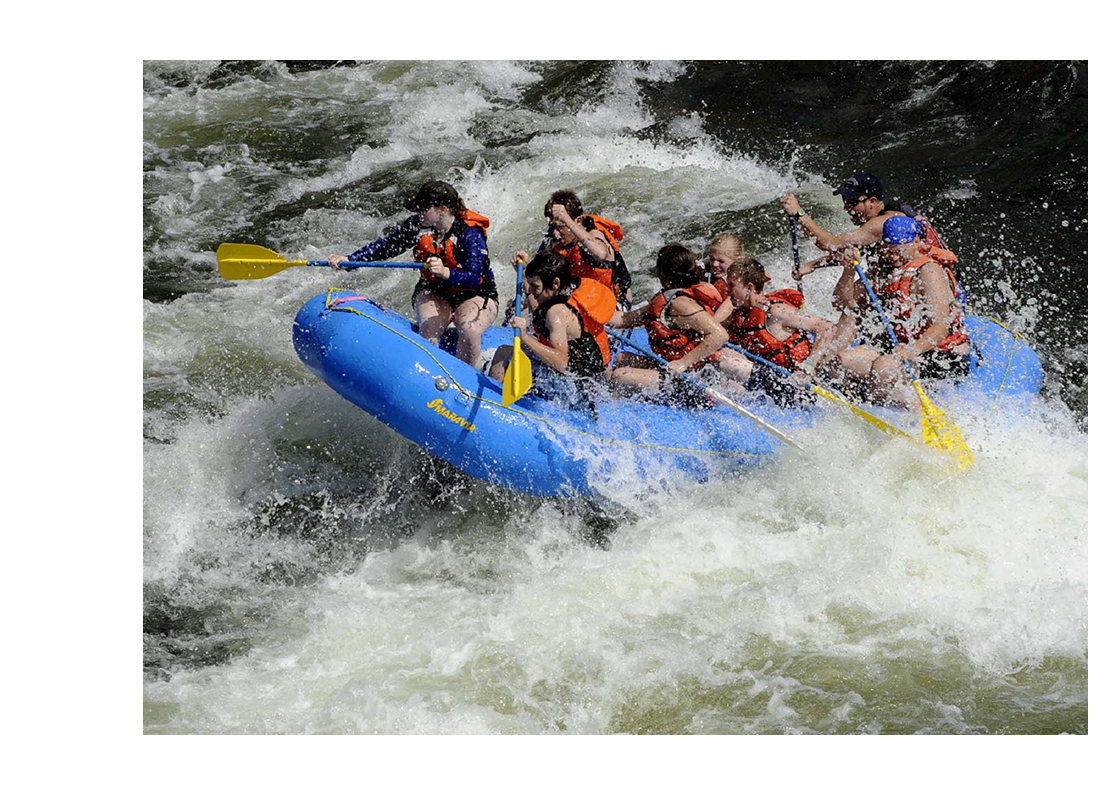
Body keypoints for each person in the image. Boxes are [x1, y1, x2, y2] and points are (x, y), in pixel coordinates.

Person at [328, 180, 498, 368]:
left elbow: (475, 278)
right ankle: (428, 373)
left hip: (474, 294)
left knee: (469, 330)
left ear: (442, 209)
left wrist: (446, 272)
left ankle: (466, 379)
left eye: (424, 208)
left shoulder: (469, 233)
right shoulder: (417, 227)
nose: (418, 213)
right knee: (429, 330)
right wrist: (350, 260)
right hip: (435, 290)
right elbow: (385, 247)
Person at [811, 215, 970, 411]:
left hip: (937, 355)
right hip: (896, 346)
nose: (893, 258)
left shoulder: (930, 271)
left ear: (916, 242)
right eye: (889, 251)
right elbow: (842, 302)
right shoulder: (883, 267)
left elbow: (941, 326)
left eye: (899, 252)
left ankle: (900, 409)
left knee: (883, 368)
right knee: (841, 362)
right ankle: (853, 403)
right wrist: (848, 270)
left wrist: (913, 350)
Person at [780, 171, 946, 311]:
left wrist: (799, 213)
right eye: (845, 202)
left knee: (848, 303)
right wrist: (811, 266)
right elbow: (848, 252)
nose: (846, 208)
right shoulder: (881, 220)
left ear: (872, 202)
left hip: (928, 284)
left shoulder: (883, 223)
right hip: (897, 272)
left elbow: (830, 244)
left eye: (852, 202)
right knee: (840, 302)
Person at [609, 243, 753, 399]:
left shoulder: (680, 304)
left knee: (620, 376)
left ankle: (612, 409)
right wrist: (586, 310)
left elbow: (720, 335)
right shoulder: (665, 299)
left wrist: (684, 362)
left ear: (663, 273)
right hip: (674, 368)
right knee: (621, 358)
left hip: (695, 377)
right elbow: (624, 320)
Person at [488, 251, 616, 382]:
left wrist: (525, 337)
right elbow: (538, 308)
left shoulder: (556, 313)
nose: (529, 291)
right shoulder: (565, 291)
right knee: (521, 348)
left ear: (555, 283)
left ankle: (493, 398)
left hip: (574, 385)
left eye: (535, 286)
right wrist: (524, 271)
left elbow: (561, 363)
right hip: (589, 376)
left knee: (503, 352)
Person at [723, 256, 836, 403]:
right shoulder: (740, 315)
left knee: (725, 362)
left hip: (796, 386)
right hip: (770, 381)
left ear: (749, 288)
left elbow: (827, 327)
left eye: (732, 286)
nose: (727, 290)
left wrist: (808, 369)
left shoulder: (776, 311)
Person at [540, 190, 632, 309]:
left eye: (561, 227)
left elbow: (601, 254)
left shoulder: (594, 234)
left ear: (577, 221)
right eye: (553, 228)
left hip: (614, 306)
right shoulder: (557, 243)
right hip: (583, 301)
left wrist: (566, 219)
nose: (555, 233)